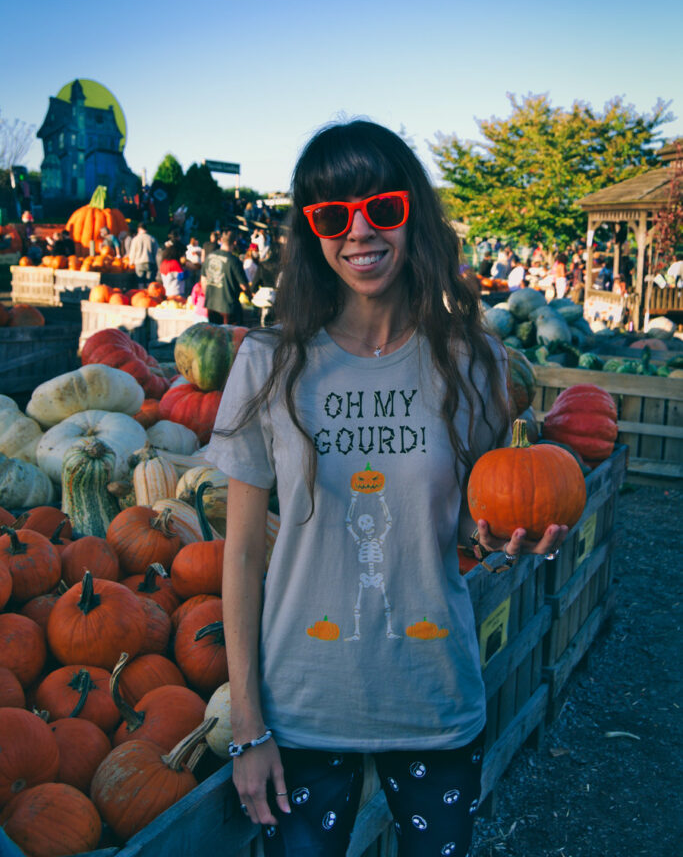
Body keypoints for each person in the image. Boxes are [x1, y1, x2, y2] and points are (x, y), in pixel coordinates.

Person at [206, 120, 566, 857]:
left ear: (415, 216)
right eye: (333, 216)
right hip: (303, 702)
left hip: (432, 696)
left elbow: (470, 518)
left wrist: (503, 537)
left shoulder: (473, 361)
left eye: (383, 208)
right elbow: (241, 555)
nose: (360, 232)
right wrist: (247, 726)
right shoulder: (269, 363)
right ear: (311, 232)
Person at [200, 229, 250, 324]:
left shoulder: (209, 257)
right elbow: (244, 286)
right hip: (229, 308)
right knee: (231, 337)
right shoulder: (234, 261)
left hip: (211, 306)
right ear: (235, 242)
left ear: (221, 240)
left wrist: (209, 296)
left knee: (214, 336)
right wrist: (250, 295)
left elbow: (203, 281)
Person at [128, 222, 159, 286]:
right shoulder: (152, 239)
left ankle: (141, 293)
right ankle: (149, 294)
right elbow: (156, 252)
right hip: (150, 262)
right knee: (149, 282)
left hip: (139, 262)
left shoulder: (135, 239)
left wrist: (131, 262)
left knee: (140, 282)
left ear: (138, 230)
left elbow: (133, 252)